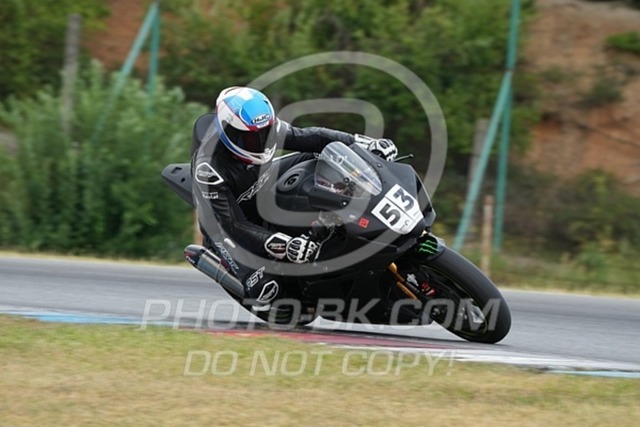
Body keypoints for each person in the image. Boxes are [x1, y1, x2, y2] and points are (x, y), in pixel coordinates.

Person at [190, 86, 397, 309]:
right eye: (250, 139)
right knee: (267, 292)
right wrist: (283, 244)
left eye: (265, 134)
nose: (261, 142)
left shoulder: (267, 127)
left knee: (322, 155)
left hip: (262, 185)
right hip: (225, 226)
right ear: (228, 131)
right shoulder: (208, 168)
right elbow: (233, 224)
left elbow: (312, 137)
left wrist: (363, 144)